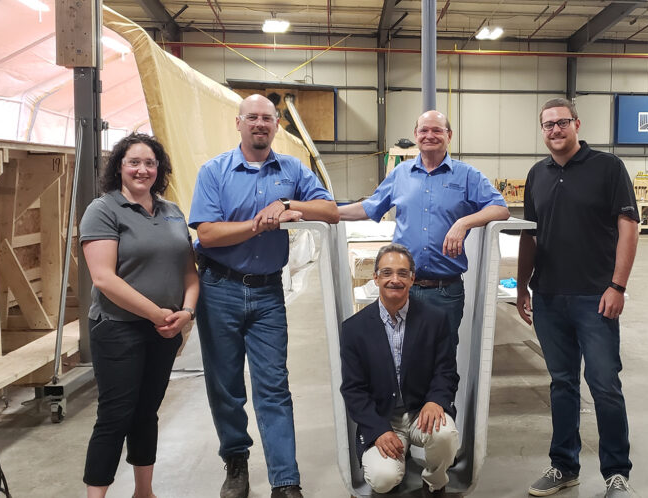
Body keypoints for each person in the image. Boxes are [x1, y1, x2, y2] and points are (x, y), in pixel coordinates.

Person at [189, 94, 339, 498]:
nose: (259, 123)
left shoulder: (292, 169)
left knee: (273, 385)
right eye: (252, 117)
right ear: (238, 123)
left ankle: (285, 480)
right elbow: (206, 234)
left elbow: (330, 210)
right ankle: (236, 462)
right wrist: (258, 225)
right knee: (226, 385)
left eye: (267, 118)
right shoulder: (214, 172)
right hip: (219, 289)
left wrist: (290, 205)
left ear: (276, 126)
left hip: (268, 292)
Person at [516, 98, 639, 498]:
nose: (555, 130)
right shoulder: (537, 174)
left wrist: (617, 286)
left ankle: (616, 474)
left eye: (562, 122)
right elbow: (529, 237)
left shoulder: (608, 168)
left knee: (604, 384)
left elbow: (628, 228)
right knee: (562, 384)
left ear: (576, 124)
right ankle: (563, 466)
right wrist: (522, 288)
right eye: (548, 125)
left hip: (596, 298)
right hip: (550, 297)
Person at [80, 133, 199, 498]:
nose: (142, 169)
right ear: (119, 167)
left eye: (150, 163)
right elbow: (104, 277)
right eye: (134, 162)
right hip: (119, 330)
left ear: (159, 169)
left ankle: (144, 492)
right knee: (115, 416)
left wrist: (187, 313)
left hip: (164, 331)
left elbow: (189, 272)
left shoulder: (172, 211)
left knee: (147, 412)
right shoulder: (103, 210)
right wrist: (157, 315)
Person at [338, 110, 509, 341]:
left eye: (437, 130)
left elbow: (500, 208)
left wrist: (463, 222)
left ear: (449, 135)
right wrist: (327, 213)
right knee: (398, 357)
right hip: (402, 288)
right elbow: (368, 207)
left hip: (445, 291)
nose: (430, 135)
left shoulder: (467, 175)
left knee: (442, 361)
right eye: (424, 130)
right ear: (416, 135)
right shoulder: (400, 174)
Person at [340, 243, 459, 496]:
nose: (395, 280)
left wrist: (436, 400)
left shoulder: (435, 319)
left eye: (403, 273)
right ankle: (396, 457)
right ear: (375, 277)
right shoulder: (354, 329)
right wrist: (379, 429)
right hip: (383, 417)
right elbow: (353, 389)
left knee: (446, 435)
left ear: (412, 278)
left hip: (421, 413)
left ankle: (435, 482)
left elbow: (446, 370)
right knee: (383, 479)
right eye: (387, 273)